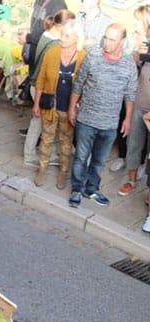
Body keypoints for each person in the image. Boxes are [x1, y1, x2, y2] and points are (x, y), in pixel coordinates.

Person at [68, 23, 137, 209]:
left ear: (122, 41)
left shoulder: (128, 64)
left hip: (110, 123)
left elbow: (130, 94)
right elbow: (78, 85)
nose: (106, 42)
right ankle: (77, 189)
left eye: (112, 39)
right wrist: (72, 108)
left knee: (99, 161)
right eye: (106, 37)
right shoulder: (92, 57)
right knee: (81, 157)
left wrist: (128, 119)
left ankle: (92, 189)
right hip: (87, 119)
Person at [33, 21, 84, 188]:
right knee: (46, 139)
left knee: (66, 141)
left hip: (69, 109)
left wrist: (77, 108)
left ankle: (63, 172)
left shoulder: (84, 57)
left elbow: (86, 85)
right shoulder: (52, 52)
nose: (62, 38)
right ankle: (42, 168)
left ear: (77, 38)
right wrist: (36, 103)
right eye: (61, 34)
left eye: (67, 36)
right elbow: (41, 79)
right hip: (50, 106)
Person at [117, 4, 150, 198]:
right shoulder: (135, 41)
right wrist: (138, 53)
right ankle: (131, 179)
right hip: (139, 100)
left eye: (138, 20)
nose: (135, 23)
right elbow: (132, 66)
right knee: (134, 143)